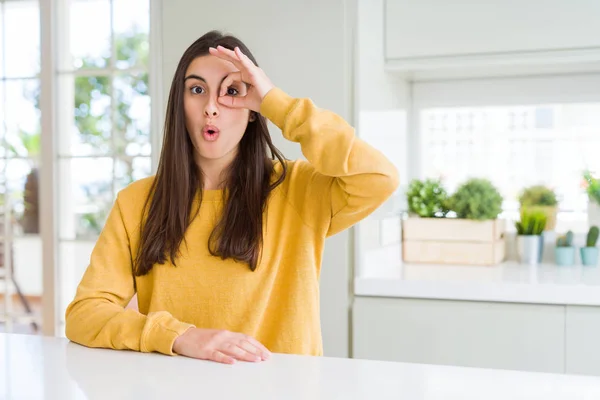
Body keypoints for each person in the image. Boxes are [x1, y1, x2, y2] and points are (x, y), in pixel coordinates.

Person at [65, 30, 399, 365]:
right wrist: (179, 336)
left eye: (232, 91)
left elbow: (379, 177)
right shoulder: (136, 202)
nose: (211, 107)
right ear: (179, 105)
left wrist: (275, 103)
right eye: (197, 90)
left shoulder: (299, 189)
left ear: (253, 108)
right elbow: (85, 314)